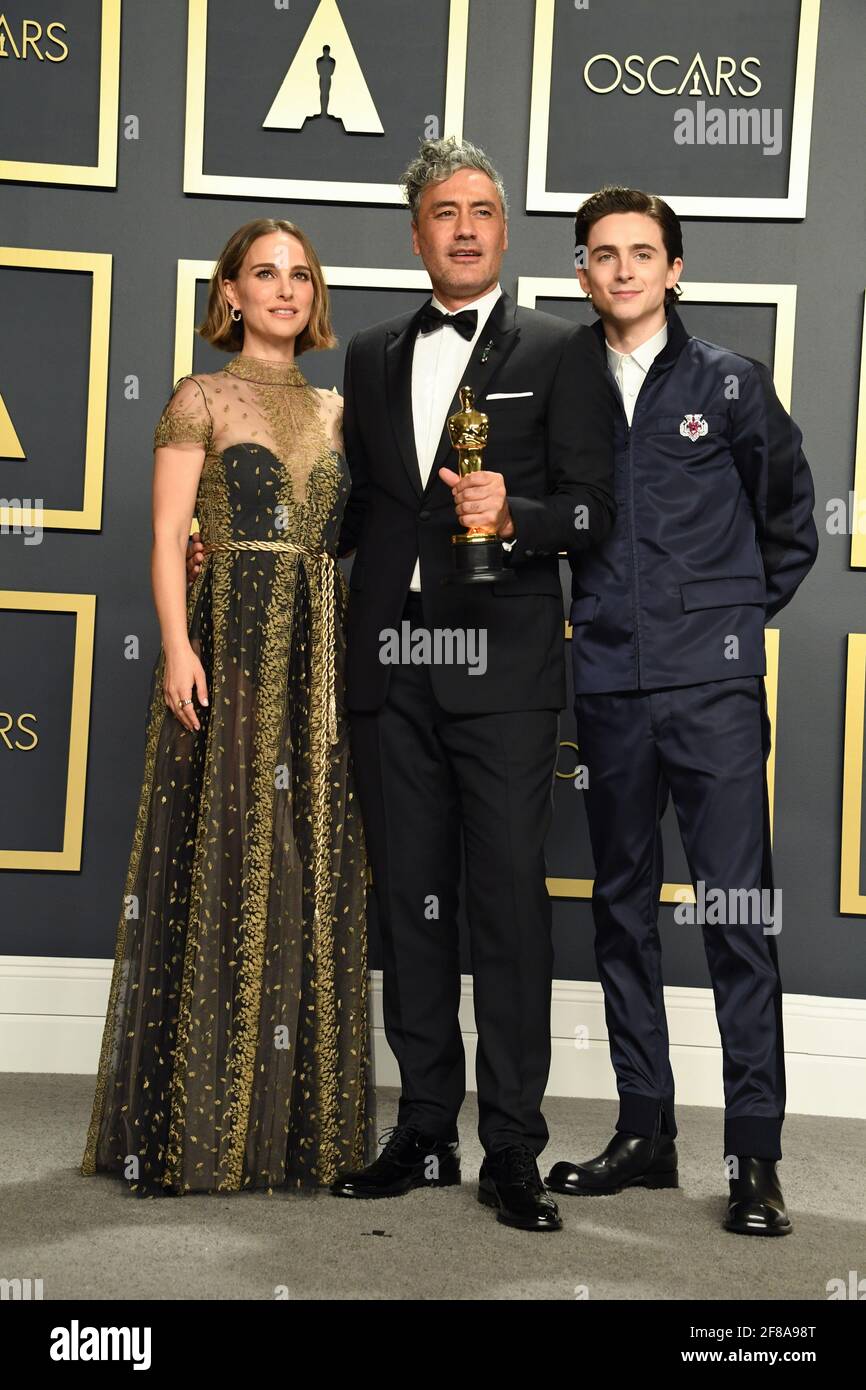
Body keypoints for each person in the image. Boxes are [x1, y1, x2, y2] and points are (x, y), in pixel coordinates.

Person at [329, 136, 614, 1230]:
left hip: (500, 671)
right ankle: (421, 1127)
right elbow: (368, 507)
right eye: (442, 210)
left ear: (504, 229)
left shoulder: (560, 347)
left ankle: (510, 1148)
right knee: (409, 906)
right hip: (388, 662)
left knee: (503, 906)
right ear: (415, 233)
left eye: (481, 210)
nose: (461, 226)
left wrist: (519, 515)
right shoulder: (365, 351)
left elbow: (593, 508)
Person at [544, 187, 818, 1236]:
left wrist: (724, 625)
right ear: (581, 271)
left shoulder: (731, 385)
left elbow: (786, 524)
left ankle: (753, 1155)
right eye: (601, 254)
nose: (620, 269)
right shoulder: (560, 378)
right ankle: (643, 1132)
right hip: (606, 685)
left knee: (736, 912)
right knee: (619, 906)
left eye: (640, 253)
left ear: (673, 269)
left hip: (710, 692)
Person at [82, 218, 375, 1195]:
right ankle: (199, 1124)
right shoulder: (197, 398)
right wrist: (176, 645)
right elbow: (169, 537)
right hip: (232, 644)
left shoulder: (343, 409)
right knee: (227, 854)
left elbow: (361, 540)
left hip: (322, 657)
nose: (284, 289)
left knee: (306, 861)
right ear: (230, 294)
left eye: (300, 274)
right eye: (264, 273)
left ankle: (298, 1131)